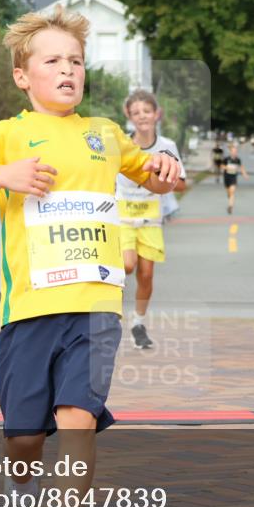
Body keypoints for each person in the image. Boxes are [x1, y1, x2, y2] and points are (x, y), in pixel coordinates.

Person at [0, 6, 178, 507]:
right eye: (53, 61)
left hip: (96, 306)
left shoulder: (106, 133)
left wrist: (165, 168)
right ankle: (20, 502)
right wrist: (2, 177)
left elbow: (150, 174)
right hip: (29, 311)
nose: (68, 70)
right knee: (23, 438)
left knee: (77, 422)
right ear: (23, 76)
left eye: (76, 61)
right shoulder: (4, 136)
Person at [116, 89, 187, 350]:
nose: (142, 116)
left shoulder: (167, 147)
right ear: (128, 116)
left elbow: (181, 184)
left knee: (146, 275)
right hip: (123, 216)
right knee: (127, 265)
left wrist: (161, 175)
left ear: (157, 114)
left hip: (150, 218)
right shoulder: (122, 144)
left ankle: (138, 323)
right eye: (136, 112)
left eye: (147, 111)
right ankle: (110, 316)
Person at [221, 142, 248, 214]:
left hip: (233, 177)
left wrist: (244, 174)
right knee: (229, 193)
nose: (234, 153)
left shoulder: (238, 160)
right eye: (233, 151)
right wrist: (227, 167)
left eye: (235, 151)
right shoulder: (226, 159)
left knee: (232, 192)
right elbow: (222, 166)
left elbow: (241, 167)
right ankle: (230, 199)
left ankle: (230, 207)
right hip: (227, 177)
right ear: (230, 152)